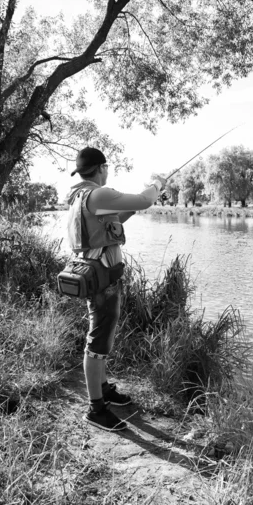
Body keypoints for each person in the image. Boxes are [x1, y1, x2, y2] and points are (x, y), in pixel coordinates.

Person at [66, 147, 166, 432]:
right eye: (106, 168)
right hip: (101, 278)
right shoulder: (98, 193)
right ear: (101, 168)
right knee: (98, 341)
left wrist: (130, 210)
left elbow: (107, 227)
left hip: (95, 274)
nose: (107, 172)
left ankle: (104, 389)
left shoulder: (80, 196)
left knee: (102, 333)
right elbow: (146, 199)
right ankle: (96, 409)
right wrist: (157, 184)